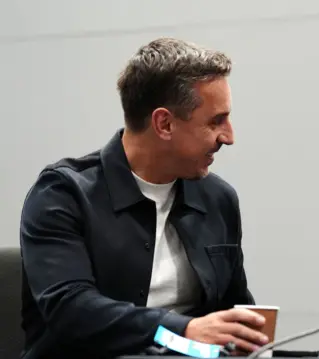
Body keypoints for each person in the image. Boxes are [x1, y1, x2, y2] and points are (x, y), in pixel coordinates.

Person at [19, 38, 269, 359]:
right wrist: (181, 329)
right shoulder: (62, 194)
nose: (229, 137)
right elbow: (71, 309)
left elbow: (232, 309)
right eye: (215, 121)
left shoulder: (218, 199)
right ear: (164, 123)